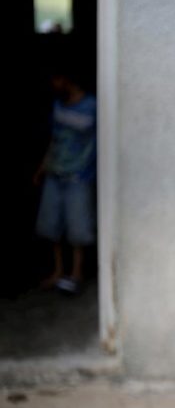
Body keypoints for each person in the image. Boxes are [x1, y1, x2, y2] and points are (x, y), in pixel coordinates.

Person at [33, 64, 97, 295]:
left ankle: (76, 274)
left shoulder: (92, 106)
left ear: (67, 79)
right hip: (55, 172)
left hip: (79, 175)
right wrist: (42, 168)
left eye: (56, 80)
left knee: (77, 228)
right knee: (52, 225)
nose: (53, 85)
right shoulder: (58, 104)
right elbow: (55, 139)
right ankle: (58, 271)